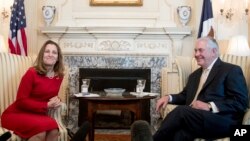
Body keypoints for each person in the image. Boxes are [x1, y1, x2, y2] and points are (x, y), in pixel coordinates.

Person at [152, 36, 249, 140]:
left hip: (222, 121)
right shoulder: (194, 75)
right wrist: (168, 97)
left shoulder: (231, 70)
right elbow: (185, 95)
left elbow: (240, 102)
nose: (196, 54)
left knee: (181, 111)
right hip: (197, 120)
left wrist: (210, 106)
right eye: (195, 50)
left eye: (200, 50)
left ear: (214, 51)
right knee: (179, 135)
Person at [1, 40, 65, 141]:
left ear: (58, 58)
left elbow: (48, 96)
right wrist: (46, 105)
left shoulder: (59, 76)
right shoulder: (31, 73)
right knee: (40, 131)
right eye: (47, 51)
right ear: (42, 55)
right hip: (16, 114)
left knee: (54, 130)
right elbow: (21, 101)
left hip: (37, 115)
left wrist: (57, 100)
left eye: (54, 52)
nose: (50, 54)